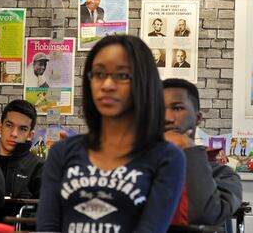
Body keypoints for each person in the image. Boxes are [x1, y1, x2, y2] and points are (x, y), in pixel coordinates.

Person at [36, 35, 185, 232]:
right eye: (98, 74)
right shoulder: (62, 152)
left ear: (143, 81)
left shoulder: (167, 158)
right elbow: (47, 227)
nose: (106, 85)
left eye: (122, 75)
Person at [163, 78, 242, 229]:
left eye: (178, 108)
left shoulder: (222, 175)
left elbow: (205, 214)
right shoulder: (137, 167)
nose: (167, 118)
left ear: (198, 118)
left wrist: (187, 147)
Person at [0, 100, 44, 198]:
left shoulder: (38, 167)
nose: (14, 134)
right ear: (0, 127)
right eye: (9, 125)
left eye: (23, 129)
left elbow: (46, 208)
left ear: (30, 135)